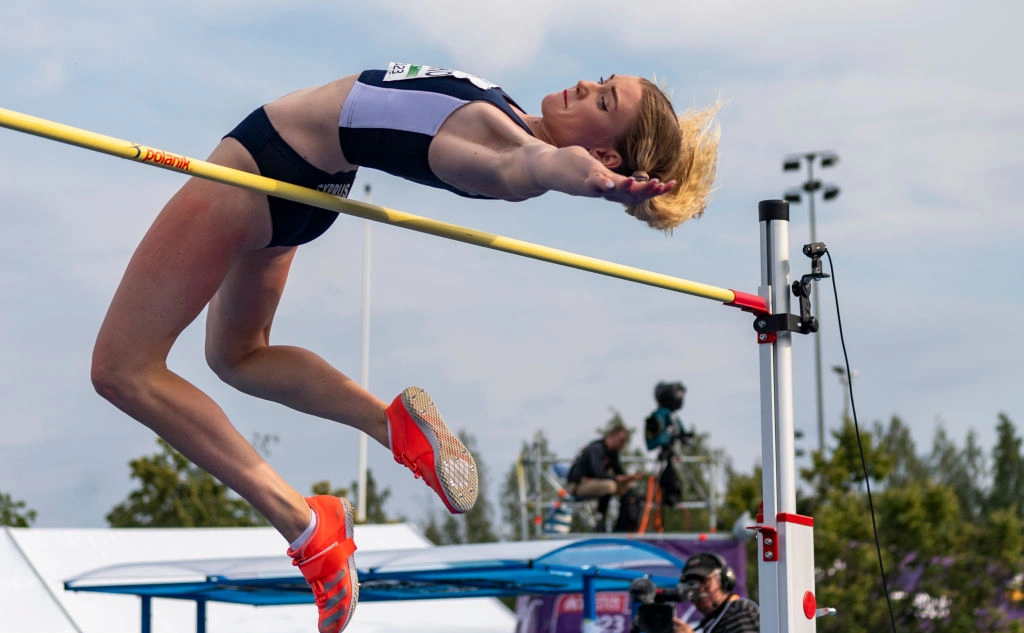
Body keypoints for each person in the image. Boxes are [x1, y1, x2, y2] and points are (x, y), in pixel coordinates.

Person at [89, 62, 721, 633]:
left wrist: (598, 183)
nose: (586, 83)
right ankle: (395, 427)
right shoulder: (507, 118)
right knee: (240, 355)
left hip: (264, 164)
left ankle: (308, 528)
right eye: (602, 78)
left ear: (603, 150)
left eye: (604, 100)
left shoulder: (512, 150)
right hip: (308, 189)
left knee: (122, 370)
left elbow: (542, 166)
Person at [565, 423, 646, 530]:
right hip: (578, 485)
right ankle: (600, 518)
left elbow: (620, 474)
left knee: (628, 487)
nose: (623, 444)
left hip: (596, 483)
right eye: (621, 440)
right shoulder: (596, 448)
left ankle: (624, 526)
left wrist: (630, 478)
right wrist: (620, 479)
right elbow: (599, 474)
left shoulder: (613, 453)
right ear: (612, 436)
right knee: (609, 486)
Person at [672, 552, 759, 633]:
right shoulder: (713, 621)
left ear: (724, 580)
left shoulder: (739, 610)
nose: (699, 589)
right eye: (691, 583)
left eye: (704, 581)